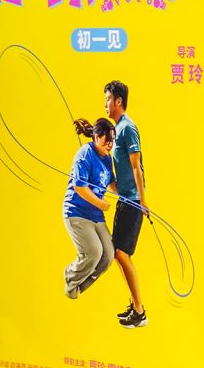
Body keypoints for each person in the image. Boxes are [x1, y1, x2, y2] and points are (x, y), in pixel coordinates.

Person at [104, 81, 148, 329]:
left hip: (132, 201)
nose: (106, 104)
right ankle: (135, 304)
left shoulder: (128, 128)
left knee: (121, 253)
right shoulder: (116, 129)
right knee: (118, 254)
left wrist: (143, 202)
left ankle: (140, 310)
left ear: (118, 101)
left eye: (108, 99)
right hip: (124, 199)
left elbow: (136, 166)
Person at [62, 118, 116, 300]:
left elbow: (111, 183)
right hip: (77, 212)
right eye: (106, 139)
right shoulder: (84, 153)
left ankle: (81, 285)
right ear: (95, 137)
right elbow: (79, 187)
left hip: (95, 215)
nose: (109, 144)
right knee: (94, 252)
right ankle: (71, 277)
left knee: (108, 256)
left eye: (112, 140)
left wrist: (129, 195)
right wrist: (101, 203)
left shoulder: (107, 158)